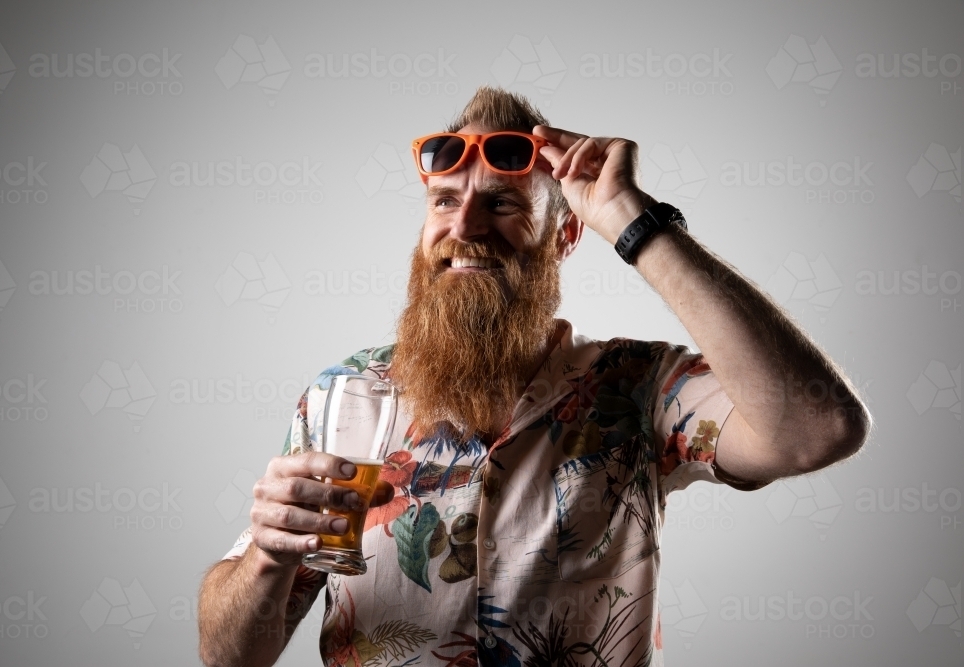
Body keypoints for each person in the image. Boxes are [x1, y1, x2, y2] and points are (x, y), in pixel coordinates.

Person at [197, 86, 870, 667]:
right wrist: (267, 558)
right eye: (444, 201)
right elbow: (229, 656)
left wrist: (632, 219)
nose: (465, 226)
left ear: (564, 237)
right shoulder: (344, 396)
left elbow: (818, 427)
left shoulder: (638, 388)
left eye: (501, 204)